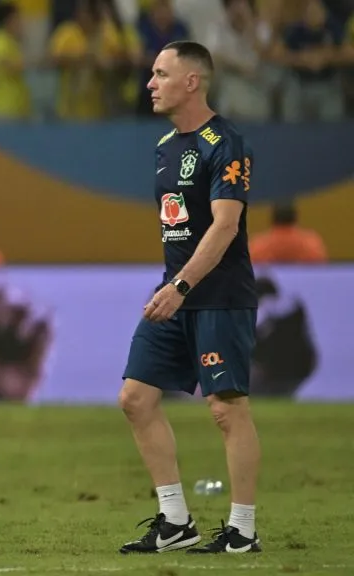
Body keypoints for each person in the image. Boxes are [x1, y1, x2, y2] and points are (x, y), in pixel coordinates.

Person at [118, 41, 262, 555]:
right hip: (174, 292)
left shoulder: (225, 143)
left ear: (192, 82)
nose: (150, 83)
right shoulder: (164, 147)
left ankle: (243, 528)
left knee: (227, 409)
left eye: (160, 74)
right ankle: (176, 522)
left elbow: (226, 227)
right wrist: (172, 287)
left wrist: (180, 287)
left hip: (217, 295)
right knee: (135, 398)